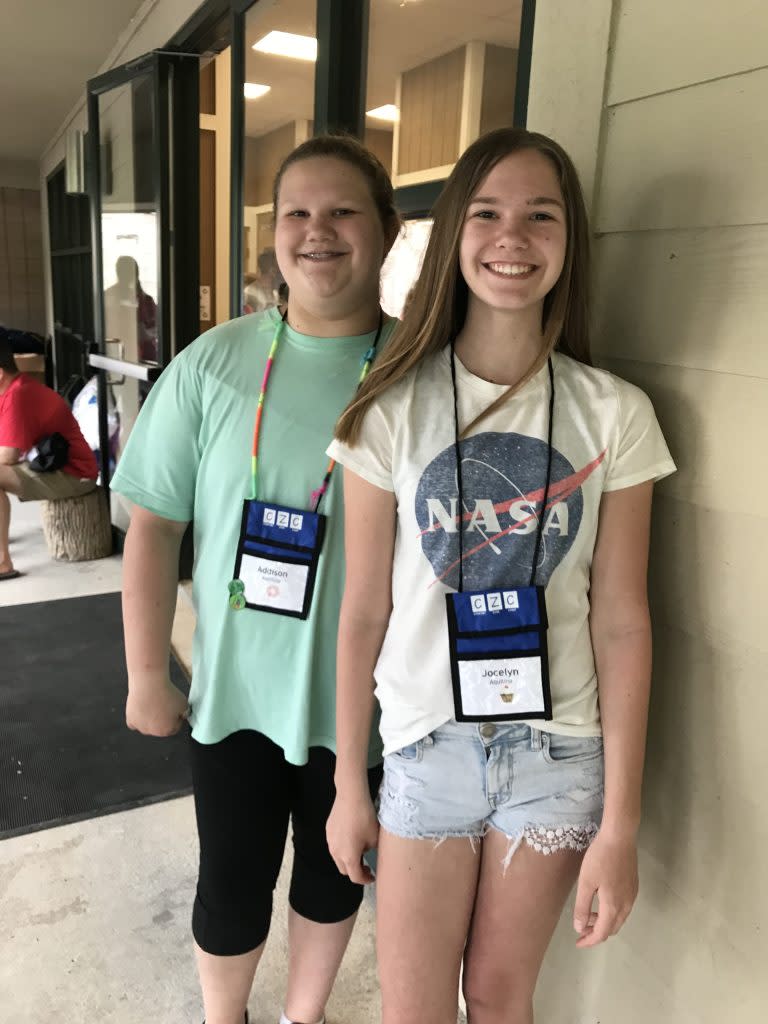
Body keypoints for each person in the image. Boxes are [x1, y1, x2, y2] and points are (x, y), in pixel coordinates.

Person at [326, 127, 676, 1024]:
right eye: (486, 212)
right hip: (426, 746)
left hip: (560, 758)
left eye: (540, 215)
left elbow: (624, 620)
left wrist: (621, 824)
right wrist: (347, 787)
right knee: (412, 1009)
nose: (511, 237)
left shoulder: (616, 414)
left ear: (569, 240)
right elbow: (361, 612)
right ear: (453, 234)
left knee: (498, 996)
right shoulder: (387, 413)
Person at [110, 134, 400, 1024]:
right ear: (273, 237)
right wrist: (147, 674)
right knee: (231, 880)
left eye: (344, 211)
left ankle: (301, 1015)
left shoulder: (419, 369)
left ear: (387, 232)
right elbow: (154, 525)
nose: (319, 231)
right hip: (234, 695)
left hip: (369, 705)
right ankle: (222, 1016)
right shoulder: (214, 363)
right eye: (298, 214)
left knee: (333, 873)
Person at [0, 336, 98, 580]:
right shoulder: (11, 390)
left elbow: (7, 456)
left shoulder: (18, 395)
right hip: (52, 466)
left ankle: (2, 562)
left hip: (75, 475)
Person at [104, 255, 158, 363]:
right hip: (119, 354)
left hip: (145, 357)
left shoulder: (146, 300)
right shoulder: (109, 296)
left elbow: (154, 328)